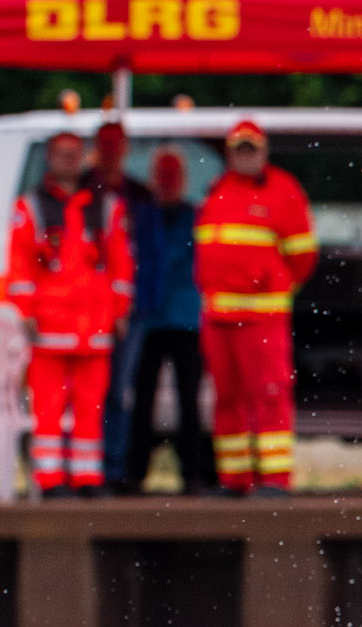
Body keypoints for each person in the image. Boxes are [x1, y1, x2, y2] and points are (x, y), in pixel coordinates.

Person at [7, 132, 133, 497]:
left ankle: (87, 478)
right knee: (48, 406)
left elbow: (121, 263)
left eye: (74, 154)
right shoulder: (31, 207)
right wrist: (26, 310)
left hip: (93, 325)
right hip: (50, 325)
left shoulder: (106, 206)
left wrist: (120, 310)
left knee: (90, 407)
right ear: (49, 157)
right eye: (62, 154)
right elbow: (19, 264)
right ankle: (50, 480)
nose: (68, 160)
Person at [196, 120, 316, 495]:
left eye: (251, 149)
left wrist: (273, 290)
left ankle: (275, 480)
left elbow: (303, 256)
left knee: (269, 395)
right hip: (219, 318)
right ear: (230, 153)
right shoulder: (219, 190)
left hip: (262, 317)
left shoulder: (283, 191)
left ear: (263, 151)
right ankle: (235, 479)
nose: (245, 156)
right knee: (227, 399)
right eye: (239, 149)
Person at [123, 148, 214, 495]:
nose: (167, 183)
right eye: (162, 176)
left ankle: (194, 474)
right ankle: (135, 474)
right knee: (142, 399)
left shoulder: (194, 217)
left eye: (172, 176)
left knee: (189, 400)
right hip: (149, 318)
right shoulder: (143, 217)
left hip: (185, 318)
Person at [88, 121, 156, 493]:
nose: (113, 151)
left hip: (129, 310)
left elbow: (148, 255)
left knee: (118, 392)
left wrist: (139, 305)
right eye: (107, 144)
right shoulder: (81, 191)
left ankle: (113, 467)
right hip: (86, 310)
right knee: (88, 391)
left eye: (118, 144)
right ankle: (88, 468)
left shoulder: (139, 195)